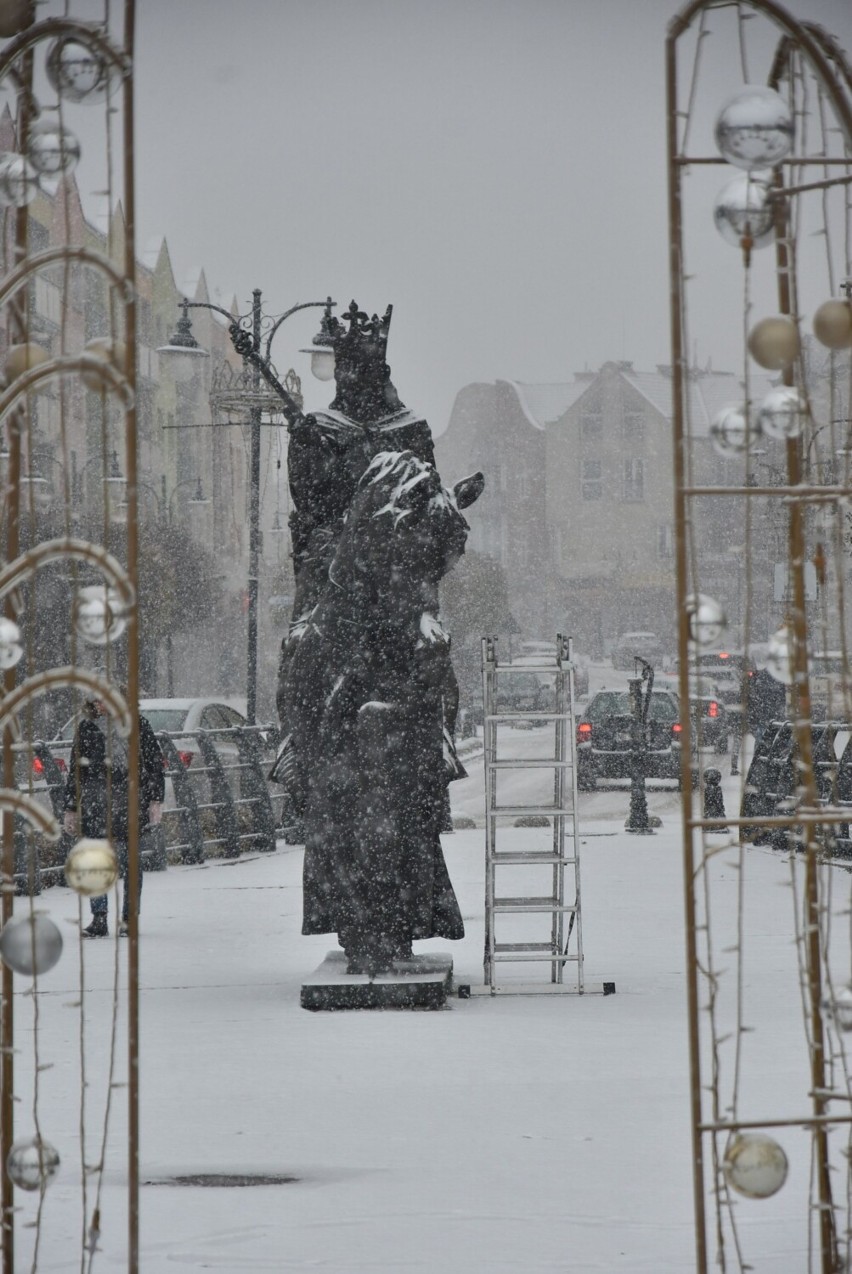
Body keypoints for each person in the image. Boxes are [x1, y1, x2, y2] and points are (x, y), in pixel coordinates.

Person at [63, 694, 165, 937]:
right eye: (97, 700)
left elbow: (153, 763)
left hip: (130, 800)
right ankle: (99, 918)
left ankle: (129, 918)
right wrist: (71, 807)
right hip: (96, 803)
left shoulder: (138, 725)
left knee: (131, 862)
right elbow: (76, 770)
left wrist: (155, 799)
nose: (102, 704)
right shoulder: (87, 727)